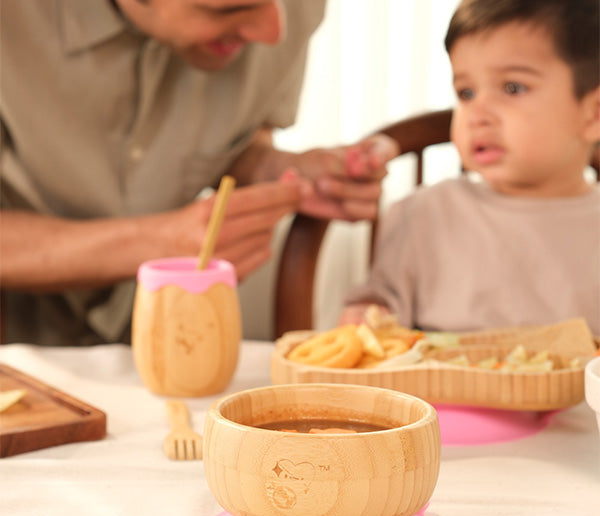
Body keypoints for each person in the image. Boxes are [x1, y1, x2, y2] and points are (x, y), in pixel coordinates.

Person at [0, 0, 397, 345]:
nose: (274, 31)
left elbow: (235, 139)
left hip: (169, 339)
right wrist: (157, 243)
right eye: (230, 8)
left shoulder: (289, 12)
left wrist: (272, 167)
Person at [341, 0, 600, 336]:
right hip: (438, 389)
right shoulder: (424, 213)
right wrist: (368, 311)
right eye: (466, 92)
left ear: (593, 114)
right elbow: (381, 301)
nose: (477, 114)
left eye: (513, 88)